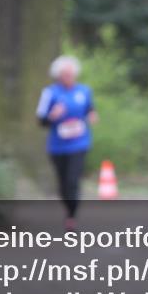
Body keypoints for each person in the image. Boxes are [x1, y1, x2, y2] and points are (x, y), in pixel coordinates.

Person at [36, 55, 99, 231]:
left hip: (79, 143)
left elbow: (90, 109)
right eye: (65, 74)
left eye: (71, 73)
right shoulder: (50, 93)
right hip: (57, 146)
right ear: (58, 75)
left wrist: (92, 115)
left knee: (73, 180)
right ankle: (68, 208)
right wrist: (52, 116)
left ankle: (71, 217)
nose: (68, 77)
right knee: (63, 183)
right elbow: (41, 120)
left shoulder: (84, 91)